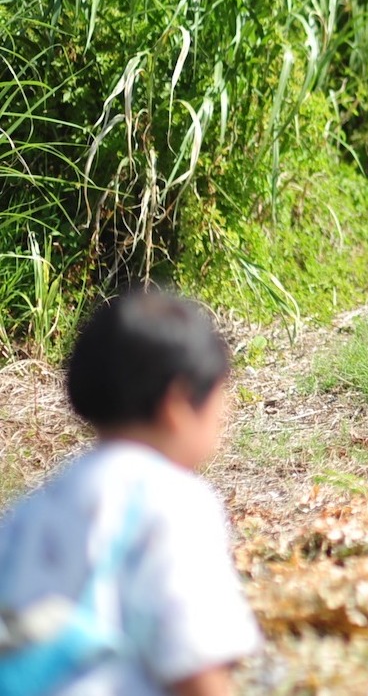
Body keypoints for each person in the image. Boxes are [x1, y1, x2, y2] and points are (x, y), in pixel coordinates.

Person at [0, 290, 260, 695]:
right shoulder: (174, 503)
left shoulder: (31, 507)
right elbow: (196, 669)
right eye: (219, 394)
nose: (224, 414)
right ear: (178, 403)